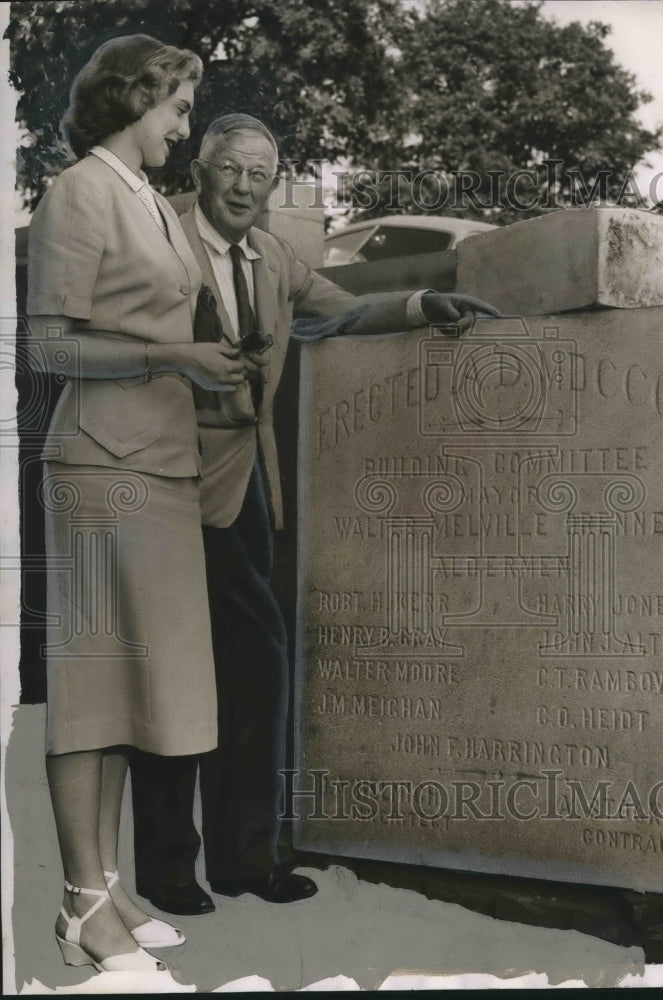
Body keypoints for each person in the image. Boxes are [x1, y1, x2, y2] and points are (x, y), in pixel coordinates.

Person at [129, 113, 499, 914]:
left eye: (260, 175)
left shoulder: (273, 260)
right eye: (230, 169)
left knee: (256, 673)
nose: (244, 187)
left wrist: (424, 301)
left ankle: (244, 862)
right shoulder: (154, 245)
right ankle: (164, 872)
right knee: (168, 681)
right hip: (161, 489)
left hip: (246, 492)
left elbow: (341, 309)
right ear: (200, 171)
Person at [25, 37, 247, 973]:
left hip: (155, 465)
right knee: (88, 692)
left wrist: (202, 372)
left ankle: (106, 886)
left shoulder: (148, 200)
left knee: (125, 693)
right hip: (98, 468)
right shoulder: (78, 190)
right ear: (131, 101)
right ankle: (79, 902)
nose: (183, 125)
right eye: (174, 108)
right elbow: (49, 347)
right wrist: (177, 358)